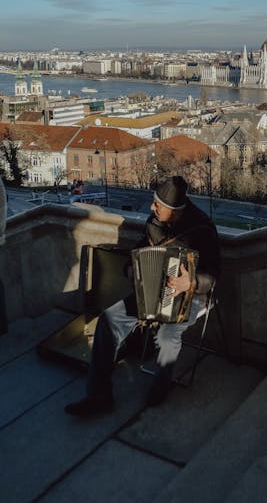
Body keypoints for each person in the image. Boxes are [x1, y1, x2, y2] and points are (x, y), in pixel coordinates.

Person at [65, 175, 220, 417]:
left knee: (168, 337)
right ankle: (98, 395)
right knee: (108, 321)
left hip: (190, 295)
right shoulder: (154, 222)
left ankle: (161, 385)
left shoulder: (202, 229)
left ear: (174, 210)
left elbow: (214, 274)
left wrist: (191, 282)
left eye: (157, 204)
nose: (151, 207)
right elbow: (139, 248)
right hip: (151, 292)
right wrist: (130, 267)